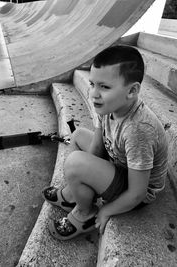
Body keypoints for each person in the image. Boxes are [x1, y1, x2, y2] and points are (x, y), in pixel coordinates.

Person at [43, 45, 168, 240]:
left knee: (75, 162)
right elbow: (97, 147)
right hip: (120, 163)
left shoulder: (139, 129)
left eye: (104, 87)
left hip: (136, 189)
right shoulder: (109, 106)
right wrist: (84, 175)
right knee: (78, 137)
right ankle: (73, 195)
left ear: (132, 90)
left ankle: (85, 213)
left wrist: (107, 210)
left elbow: (138, 192)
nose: (93, 93)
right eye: (92, 84)